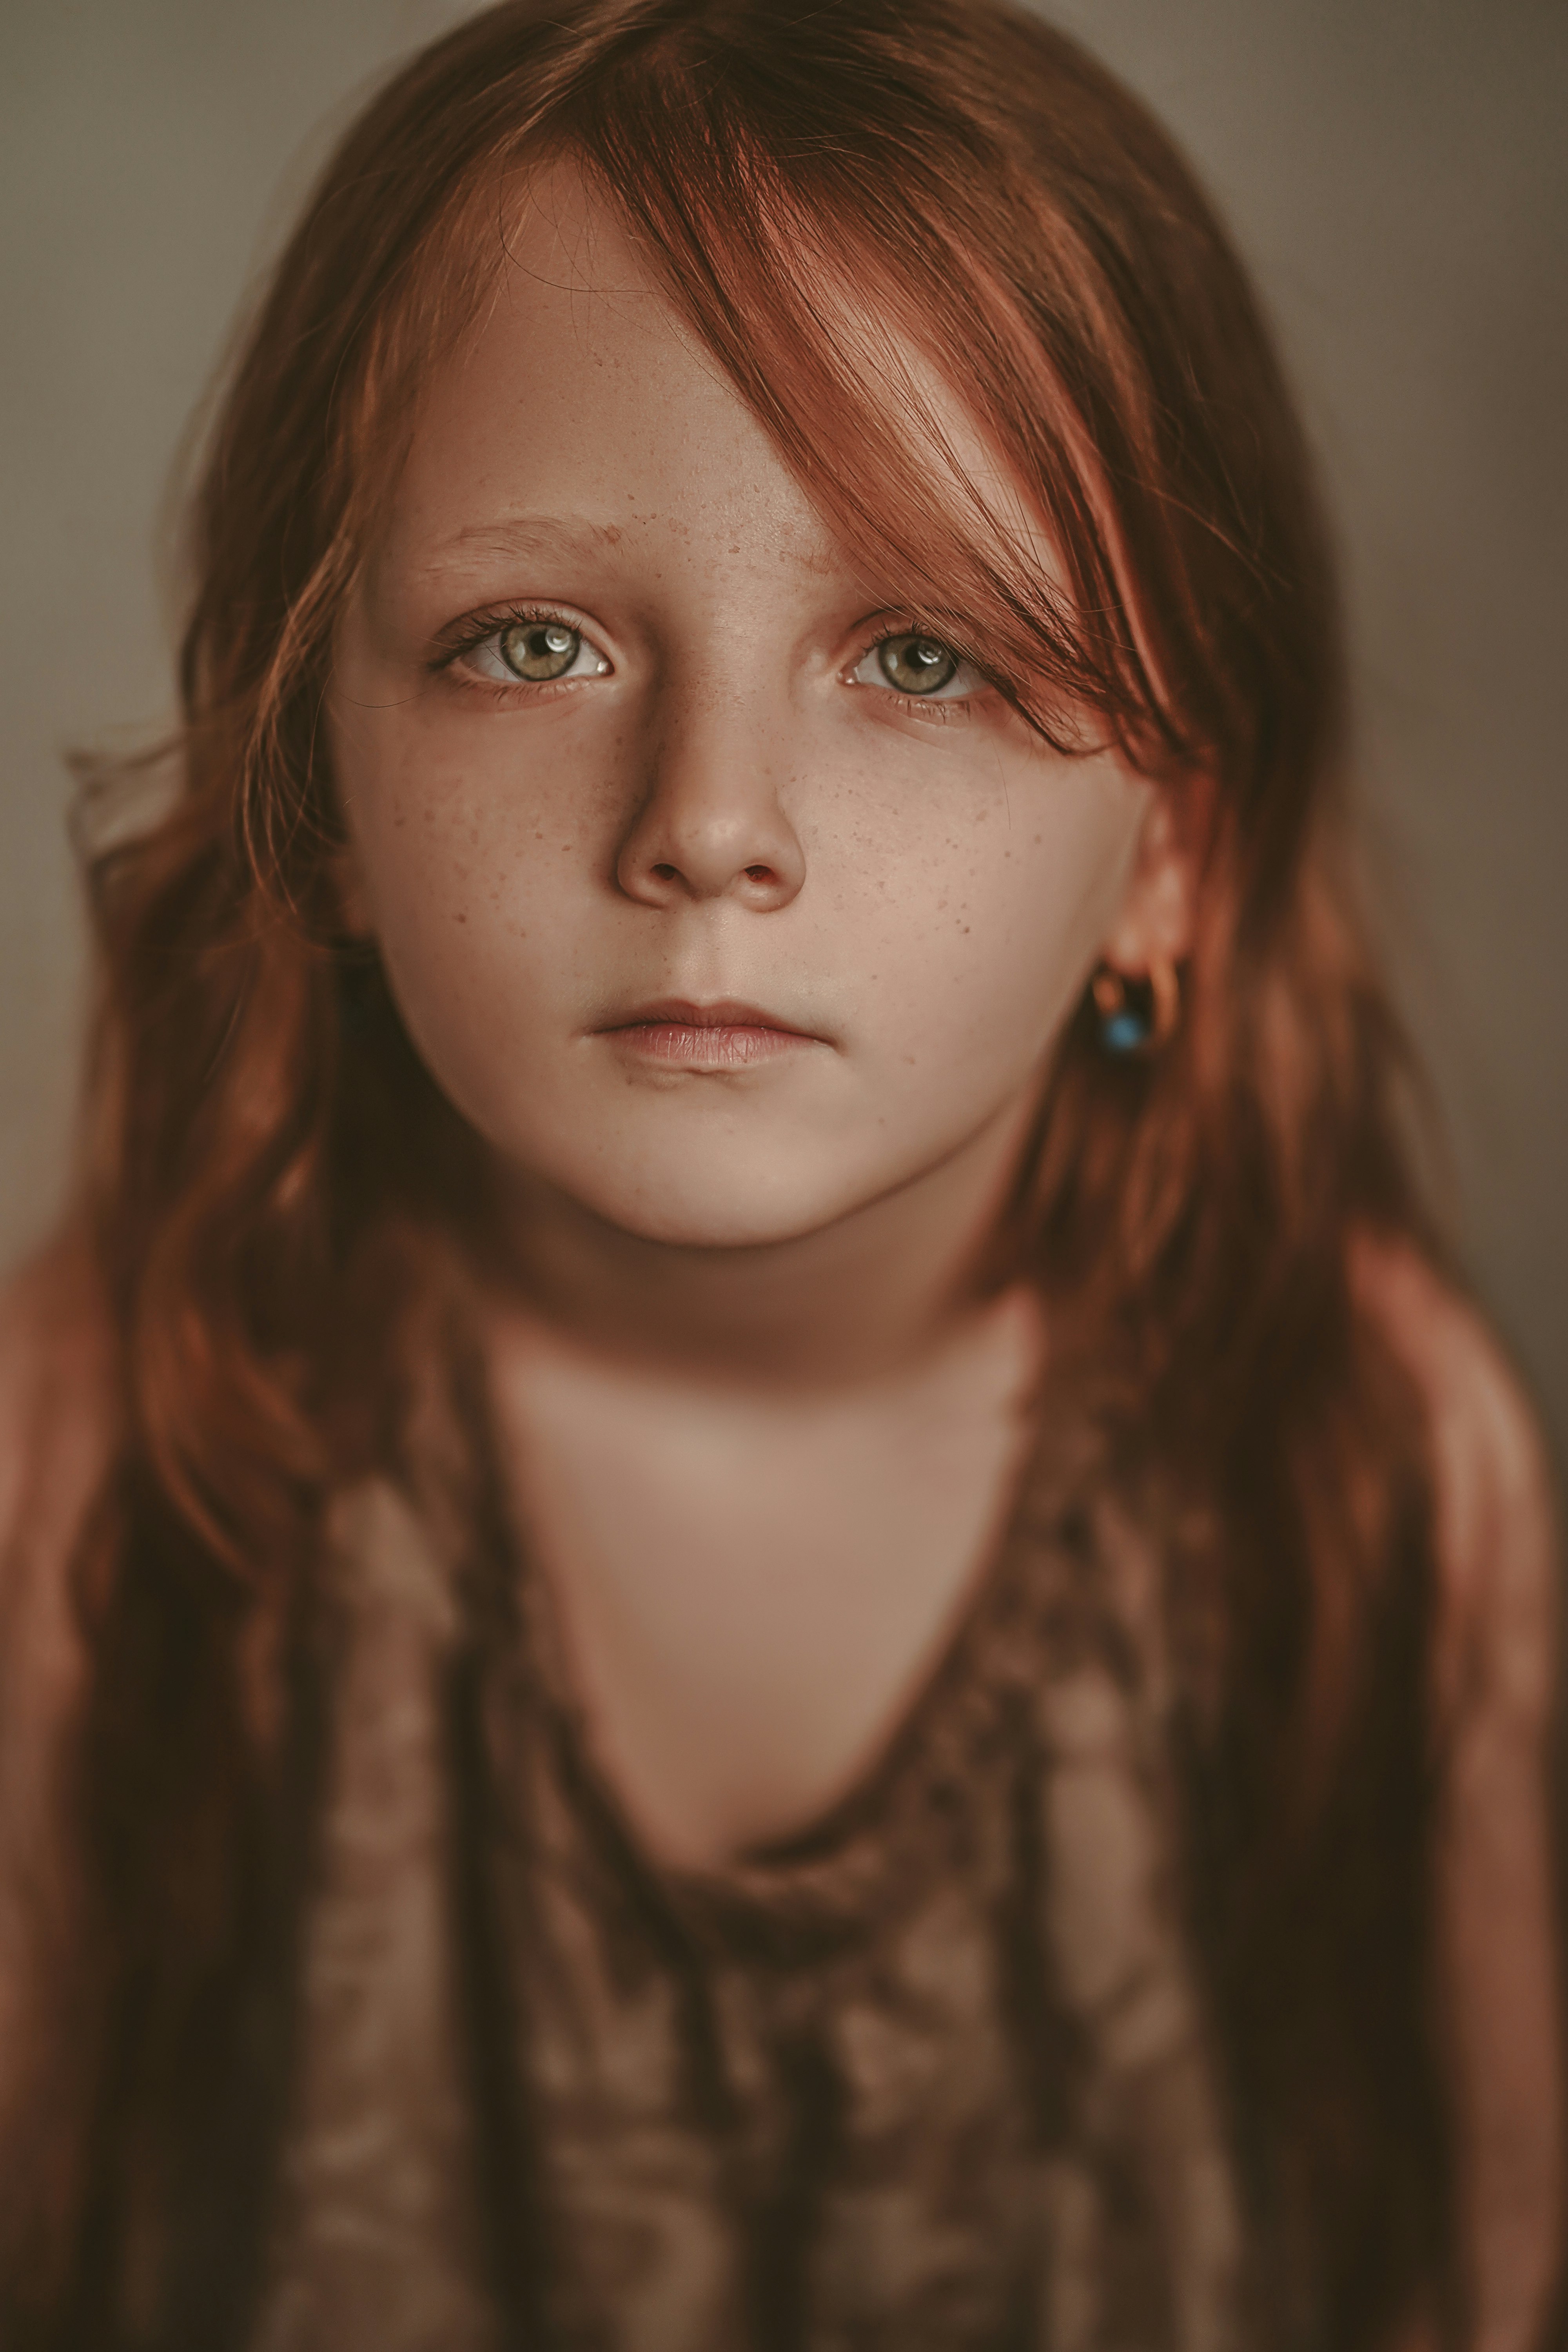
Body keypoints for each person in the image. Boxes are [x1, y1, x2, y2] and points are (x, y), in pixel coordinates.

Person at [0, 0, 1559, 2344]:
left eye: (922, 656)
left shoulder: (1358, 1458)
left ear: (1173, 865)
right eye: (533, 641)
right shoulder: (108, 1454)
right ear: (314, 796)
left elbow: (1484, 2270)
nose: (710, 823)